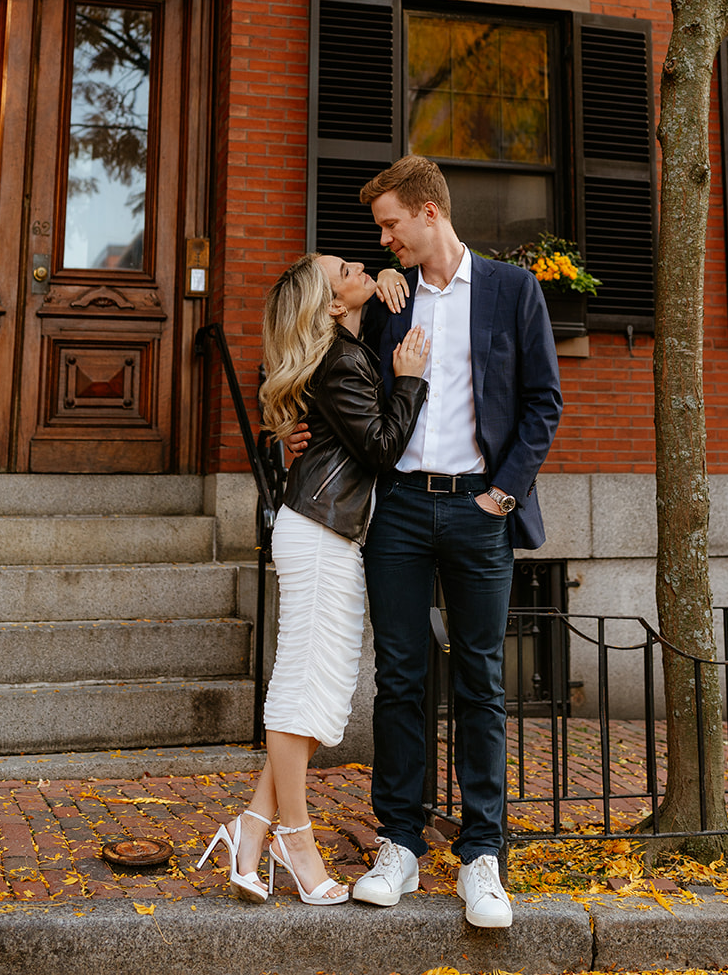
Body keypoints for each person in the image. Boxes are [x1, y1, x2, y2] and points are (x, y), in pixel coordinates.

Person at [351, 155, 562, 929]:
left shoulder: (511, 290)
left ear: (428, 213)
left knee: (481, 681)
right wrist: (366, 291)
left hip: (479, 512)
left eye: (390, 224)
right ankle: (399, 844)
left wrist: (501, 494)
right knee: (400, 679)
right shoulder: (389, 299)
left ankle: (482, 856)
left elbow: (543, 402)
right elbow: (347, 376)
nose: (384, 238)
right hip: (400, 508)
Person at [197, 252, 428, 905]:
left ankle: (249, 830)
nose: (362, 262)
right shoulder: (341, 360)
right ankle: (293, 839)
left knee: (315, 690)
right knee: (303, 686)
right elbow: (381, 447)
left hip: (325, 529)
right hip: (322, 533)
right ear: (330, 303)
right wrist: (410, 381)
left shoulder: (341, 350)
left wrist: (387, 279)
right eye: (346, 268)